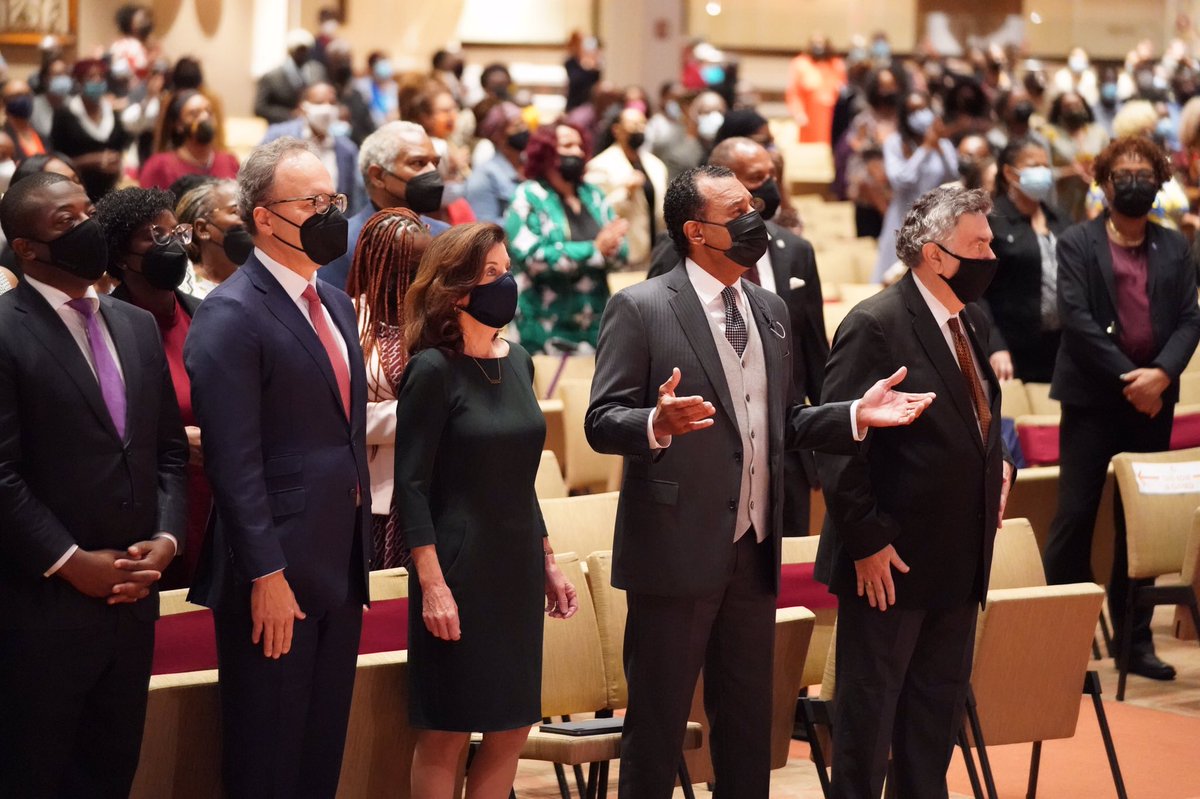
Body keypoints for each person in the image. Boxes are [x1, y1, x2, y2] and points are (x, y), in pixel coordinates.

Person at [585, 165, 933, 799]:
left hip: (754, 548)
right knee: (658, 727)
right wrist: (655, 423)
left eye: (755, 206)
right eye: (737, 211)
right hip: (673, 547)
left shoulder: (771, 309)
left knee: (749, 727)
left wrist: (854, 414)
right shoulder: (640, 307)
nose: (756, 220)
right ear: (695, 231)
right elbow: (601, 421)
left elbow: (786, 420)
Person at [183, 137, 371, 797]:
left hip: (339, 561)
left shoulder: (338, 303)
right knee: (267, 757)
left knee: (320, 753)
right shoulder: (231, 314)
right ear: (264, 217)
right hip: (275, 569)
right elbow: (234, 465)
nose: (329, 214)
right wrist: (265, 571)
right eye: (313, 202)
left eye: (334, 200)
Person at [816, 185, 1012, 799]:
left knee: (932, 727)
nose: (991, 252)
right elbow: (836, 444)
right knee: (868, 727)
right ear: (933, 253)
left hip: (958, 558)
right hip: (890, 562)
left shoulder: (969, 317)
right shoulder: (875, 324)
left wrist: (995, 468)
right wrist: (867, 541)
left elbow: (978, 418)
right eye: (977, 243)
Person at [0, 172, 187, 797]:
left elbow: (166, 451)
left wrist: (166, 535)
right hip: (41, 601)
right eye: (64, 220)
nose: (86, 227)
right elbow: (1, 473)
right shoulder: (5, 329)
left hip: (134, 594)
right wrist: (69, 560)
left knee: (111, 770)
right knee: (34, 770)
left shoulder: (134, 324)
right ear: (26, 248)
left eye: (87, 212)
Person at [395, 223, 580, 798]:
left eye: (507, 269)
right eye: (492, 274)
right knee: (448, 728)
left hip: (516, 562)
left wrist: (547, 559)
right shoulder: (431, 370)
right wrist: (432, 585)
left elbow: (519, 478)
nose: (508, 283)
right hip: (458, 565)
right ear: (456, 291)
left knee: (511, 723)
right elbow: (411, 487)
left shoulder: (519, 360)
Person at [1043, 136, 1200, 684]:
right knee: (1074, 519)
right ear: (1104, 183)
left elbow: (1189, 319)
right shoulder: (1077, 242)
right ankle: (1061, 646)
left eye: (1144, 172)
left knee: (1139, 525)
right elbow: (1076, 318)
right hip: (1093, 398)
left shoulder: (1176, 246)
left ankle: (1135, 642)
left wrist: (1160, 376)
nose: (1133, 180)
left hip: (1154, 400)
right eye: (1123, 172)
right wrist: (1129, 379)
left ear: (1158, 183)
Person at [650, 136, 830, 536]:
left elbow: (816, 355)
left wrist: (830, 439)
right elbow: (658, 342)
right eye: (754, 181)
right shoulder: (669, 262)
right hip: (704, 459)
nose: (763, 194)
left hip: (785, 453)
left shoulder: (794, 252)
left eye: (771, 177)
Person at [95, 187, 208, 588]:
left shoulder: (205, 316)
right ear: (122, 256)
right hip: (152, 510)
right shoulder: (104, 330)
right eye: (156, 236)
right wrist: (178, 440)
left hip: (219, 501)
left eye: (177, 233)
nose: (173, 245)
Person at [346, 207, 431, 569]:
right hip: (378, 494)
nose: (420, 275)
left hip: (440, 485)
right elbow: (340, 417)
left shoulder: (437, 318)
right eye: (409, 264)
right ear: (380, 263)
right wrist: (421, 416)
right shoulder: (347, 319)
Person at [504, 122, 629, 353]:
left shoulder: (592, 194)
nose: (578, 152)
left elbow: (621, 252)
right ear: (546, 152)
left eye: (580, 146)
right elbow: (532, 256)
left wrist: (609, 249)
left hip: (594, 324)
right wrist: (594, 251)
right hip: (544, 327)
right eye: (568, 145)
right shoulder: (528, 195)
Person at [319, 121, 450, 290]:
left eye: (435, 163)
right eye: (418, 163)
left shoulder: (445, 237)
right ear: (378, 176)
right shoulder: (341, 245)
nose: (432, 172)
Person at [983, 137, 1072, 383]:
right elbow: (977, 293)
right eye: (1034, 166)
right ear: (1011, 174)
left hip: (1062, 346)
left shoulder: (1060, 218)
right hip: (1013, 352)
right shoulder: (992, 223)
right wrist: (995, 344)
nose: (1043, 172)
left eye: (1046, 166)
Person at [872, 91, 958, 280]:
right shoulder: (894, 143)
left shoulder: (943, 144)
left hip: (936, 221)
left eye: (923, 109)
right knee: (893, 279)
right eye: (913, 111)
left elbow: (954, 177)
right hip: (902, 220)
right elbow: (901, 180)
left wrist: (938, 148)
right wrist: (925, 149)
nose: (920, 115)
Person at [262, 82, 368, 215]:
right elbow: (259, 185)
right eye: (319, 103)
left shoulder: (347, 150)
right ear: (303, 107)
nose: (327, 108)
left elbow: (355, 201)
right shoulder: (276, 137)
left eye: (332, 103)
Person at [585, 106, 668, 272]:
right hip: (625, 255)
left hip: (656, 253)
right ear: (617, 130)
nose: (640, 129)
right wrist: (626, 193)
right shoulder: (600, 165)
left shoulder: (656, 164)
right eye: (634, 124)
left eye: (643, 124)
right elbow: (594, 212)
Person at [51, 59, 132, 201]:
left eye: (101, 76)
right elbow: (56, 158)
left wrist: (115, 162)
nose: (97, 81)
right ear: (79, 81)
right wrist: (89, 161)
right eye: (91, 77)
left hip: (109, 190)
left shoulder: (112, 112)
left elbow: (119, 147)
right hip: (77, 191)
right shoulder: (65, 115)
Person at [139, 90, 240, 190]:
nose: (205, 117)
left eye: (209, 112)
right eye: (194, 114)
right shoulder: (159, 166)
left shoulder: (229, 161)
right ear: (179, 125)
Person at [175, 178, 250, 298]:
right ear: (202, 229)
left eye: (248, 209)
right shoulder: (182, 288)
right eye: (235, 211)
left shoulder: (261, 276)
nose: (247, 218)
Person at [1043, 90, 1109, 221]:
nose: (1073, 109)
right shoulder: (1049, 134)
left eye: (1077, 104)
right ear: (1059, 110)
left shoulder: (1098, 132)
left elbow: (1109, 165)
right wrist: (1069, 171)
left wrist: (1096, 173)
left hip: (1094, 203)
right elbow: (1043, 172)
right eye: (1067, 106)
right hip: (1062, 203)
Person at [465, 100, 527, 223]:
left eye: (523, 124)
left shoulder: (530, 164)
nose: (524, 130)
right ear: (499, 135)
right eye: (517, 126)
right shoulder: (484, 176)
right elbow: (485, 227)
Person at [254, 29, 326, 125]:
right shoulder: (272, 77)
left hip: (313, 127)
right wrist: (290, 114)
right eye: (300, 50)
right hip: (281, 128)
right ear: (291, 51)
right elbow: (260, 108)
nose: (304, 53)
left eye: (307, 49)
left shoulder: (317, 71)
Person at [785, 34, 847, 144]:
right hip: (810, 119)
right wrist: (798, 113)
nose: (819, 46)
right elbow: (794, 93)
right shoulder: (800, 64)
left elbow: (843, 91)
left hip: (832, 119)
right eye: (816, 43)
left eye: (822, 43)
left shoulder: (837, 65)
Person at [3, 79, 49, 161]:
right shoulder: (3, 138)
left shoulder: (42, 135)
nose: (23, 99)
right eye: (16, 96)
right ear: (3, 101)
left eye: (27, 95)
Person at [565, 31, 603, 112]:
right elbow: (575, 81)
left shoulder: (594, 62)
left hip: (590, 105)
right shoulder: (570, 62)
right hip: (574, 105)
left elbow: (596, 82)